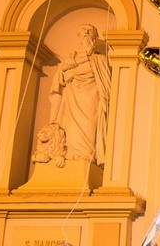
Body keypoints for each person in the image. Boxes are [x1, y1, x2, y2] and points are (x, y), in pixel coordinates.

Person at [48, 24, 112, 166]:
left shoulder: (99, 59)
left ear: (93, 40)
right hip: (72, 101)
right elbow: (59, 81)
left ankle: (86, 159)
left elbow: (106, 83)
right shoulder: (70, 61)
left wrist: (105, 101)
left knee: (88, 129)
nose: (82, 40)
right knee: (70, 132)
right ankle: (70, 158)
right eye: (81, 36)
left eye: (86, 36)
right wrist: (66, 72)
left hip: (90, 101)